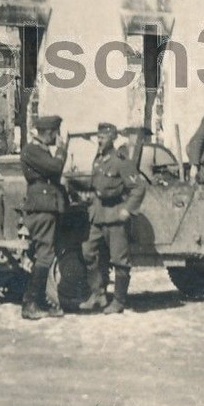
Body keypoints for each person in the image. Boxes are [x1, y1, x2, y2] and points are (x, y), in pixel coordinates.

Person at [81, 122, 149, 315]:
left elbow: (138, 188)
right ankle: (98, 293)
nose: (100, 140)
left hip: (115, 216)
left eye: (103, 137)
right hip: (98, 215)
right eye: (98, 137)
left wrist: (128, 209)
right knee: (88, 251)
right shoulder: (98, 160)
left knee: (120, 260)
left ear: (112, 138)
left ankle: (119, 301)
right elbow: (96, 186)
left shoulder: (121, 161)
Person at [20, 115, 70, 320]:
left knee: (45, 254)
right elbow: (55, 167)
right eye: (55, 133)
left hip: (48, 207)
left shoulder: (39, 151)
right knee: (45, 255)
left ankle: (39, 302)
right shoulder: (32, 150)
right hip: (42, 209)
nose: (56, 137)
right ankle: (30, 303)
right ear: (49, 133)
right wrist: (61, 150)